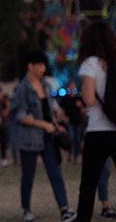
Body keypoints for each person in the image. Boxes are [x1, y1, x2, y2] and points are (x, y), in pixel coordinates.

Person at [11, 51, 76, 222]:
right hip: (30, 138)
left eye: (44, 65)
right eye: (39, 65)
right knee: (28, 176)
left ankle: (64, 209)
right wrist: (43, 125)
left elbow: (49, 109)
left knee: (55, 172)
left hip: (49, 137)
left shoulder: (46, 85)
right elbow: (20, 115)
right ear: (30, 66)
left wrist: (55, 124)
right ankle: (27, 210)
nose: (43, 69)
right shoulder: (23, 89)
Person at [74, 20, 116, 221]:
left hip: (98, 131)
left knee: (88, 185)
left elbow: (90, 99)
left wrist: (84, 92)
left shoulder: (91, 63)